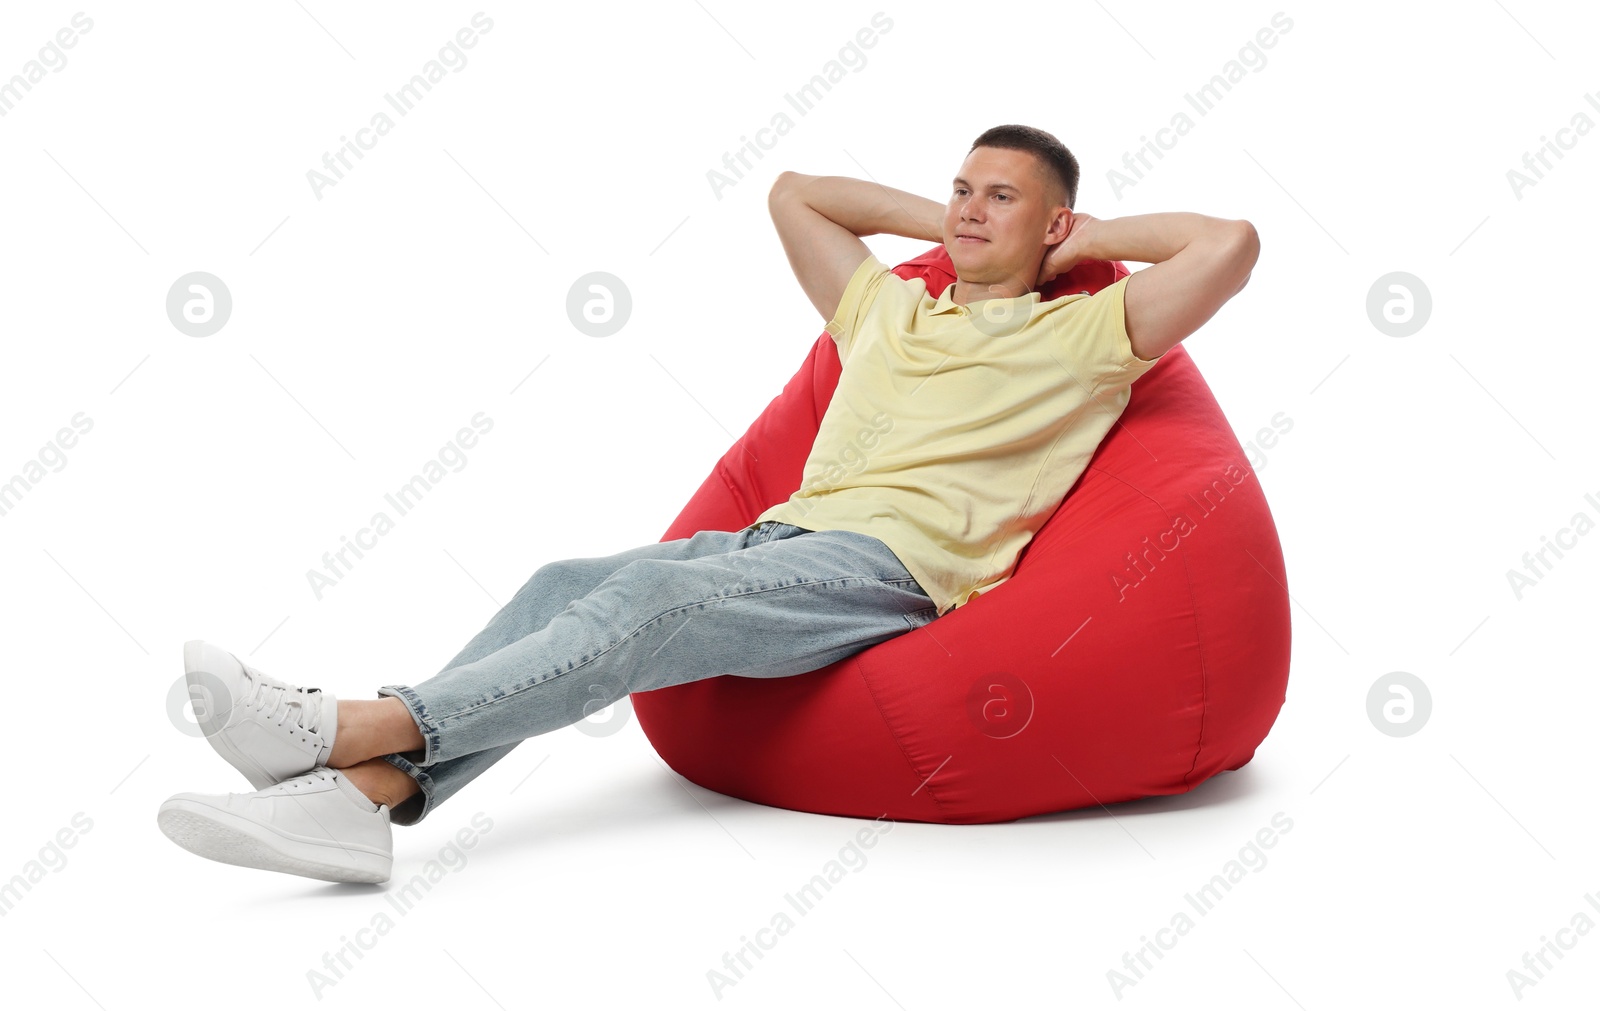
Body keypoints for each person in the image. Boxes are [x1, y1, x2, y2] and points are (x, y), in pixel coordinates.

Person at [157, 124, 1259, 883]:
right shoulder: (888, 312)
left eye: (999, 196)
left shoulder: (1079, 340)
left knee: (645, 606)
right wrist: (959, 223)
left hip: (886, 577)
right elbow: (796, 194)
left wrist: (1074, 244)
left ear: (1055, 223)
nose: (970, 209)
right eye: (962, 187)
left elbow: (1229, 245)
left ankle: (349, 726)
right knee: (562, 584)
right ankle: (366, 800)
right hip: (779, 542)